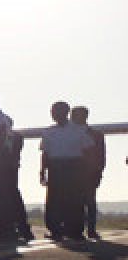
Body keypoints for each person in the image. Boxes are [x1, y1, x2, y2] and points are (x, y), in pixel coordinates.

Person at [0, 91, 33, 241]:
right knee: (9, 195)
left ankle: (4, 229)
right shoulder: (2, 118)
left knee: (0, 196)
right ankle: (20, 228)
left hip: (0, 159)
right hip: (6, 161)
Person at [40, 101, 94, 240]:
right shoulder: (48, 132)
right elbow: (45, 153)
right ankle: (55, 229)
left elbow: (88, 150)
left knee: (75, 200)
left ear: (65, 112)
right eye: (52, 111)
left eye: (57, 111)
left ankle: (75, 230)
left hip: (74, 166)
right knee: (54, 200)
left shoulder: (78, 130)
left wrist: (88, 171)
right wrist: (42, 171)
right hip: (55, 166)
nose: (54, 114)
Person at [71, 106, 106, 240]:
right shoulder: (69, 132)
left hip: (89, 172)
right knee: (74, 202)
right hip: (72, 172)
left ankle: (91, 229)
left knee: (90, 201)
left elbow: (101, 154)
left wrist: (99, 171)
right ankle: (76, 229)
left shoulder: (96, 134)